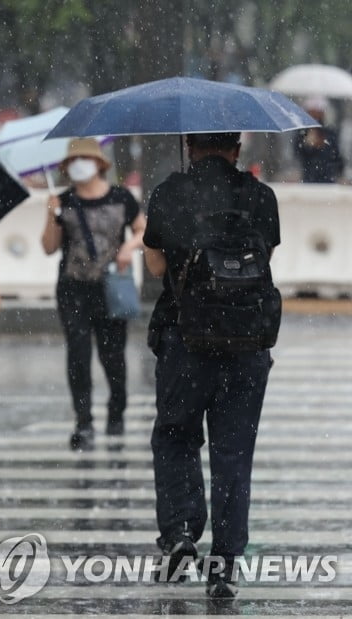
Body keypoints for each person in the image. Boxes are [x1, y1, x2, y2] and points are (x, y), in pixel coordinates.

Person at [144, 132, 279, 599]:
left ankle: (181, 531)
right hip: (246, 344)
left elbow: (159, 268)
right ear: (236, 148)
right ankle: (224, 566)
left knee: (176, 436)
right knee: (234, 454)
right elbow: (261, 263)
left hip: (186, 339)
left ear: (189, 145)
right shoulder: (262, 196)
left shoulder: (168, 193)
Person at [41, 138, 145, 451]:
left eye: (85, 159)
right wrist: (51, 216)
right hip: (73, 288)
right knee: (78, 355)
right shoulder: (63, 201)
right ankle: (83, 421)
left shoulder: (121, 198)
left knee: (113, 355)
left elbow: (144, 229)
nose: (79, 165)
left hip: (111, 287)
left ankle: (117, 411)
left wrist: (128, 247)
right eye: (73, 161)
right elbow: (48, 247)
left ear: (99, 163)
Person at [294, 98, 344, 183]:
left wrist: (323, 145)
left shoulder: (329, 132)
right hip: (309, 178)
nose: (315, 116)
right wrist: (308, 145)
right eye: (312, 112)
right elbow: (298, 154)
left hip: (328, 178)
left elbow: (336, 157)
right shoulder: (302, 133)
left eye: (318, 112)